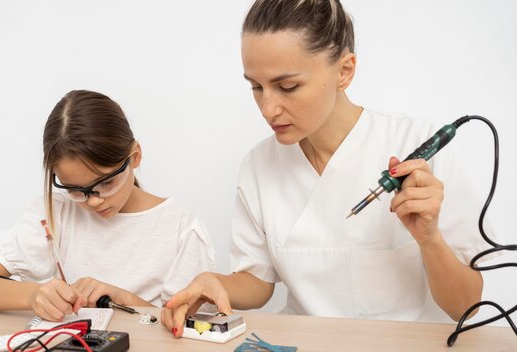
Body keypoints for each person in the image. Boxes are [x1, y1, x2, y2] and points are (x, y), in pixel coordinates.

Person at [162, 0, 495, 337]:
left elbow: (466, 305)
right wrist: (212, 283)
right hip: (304, 342)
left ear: (344, 71)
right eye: (256, 87)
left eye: (287, 86)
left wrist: (430, 239)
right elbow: (258, 284)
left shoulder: (418, 149)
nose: (267, 108)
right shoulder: (260, 165)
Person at [0, 90, 215, 322]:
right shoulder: (54, 213)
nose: (93, 201)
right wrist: (33, 295)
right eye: (75, 190)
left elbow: (190, 328)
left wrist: (121, 297)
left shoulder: (180, 226)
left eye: (106, 183)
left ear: (134, 158)